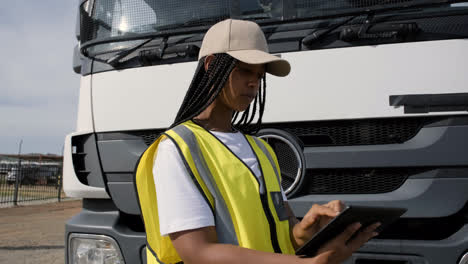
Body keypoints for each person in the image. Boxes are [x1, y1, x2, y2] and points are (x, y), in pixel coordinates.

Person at [135, 18, 380, 264]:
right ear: (211, 64)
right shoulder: (177, 148)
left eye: (260, 75)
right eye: (244, 70)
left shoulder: (262, 149)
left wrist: (306, 231)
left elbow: (279, 236)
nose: (254, 83)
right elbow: (198, 253)